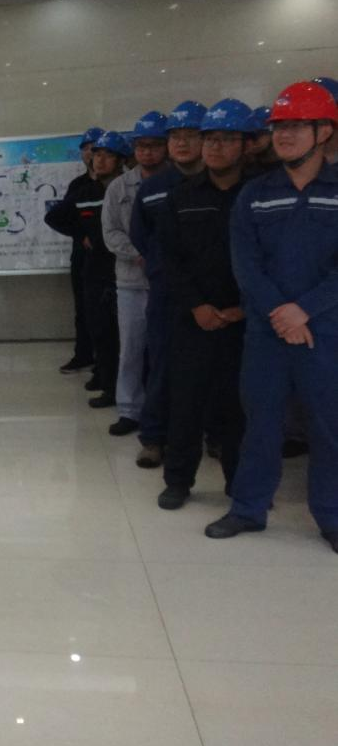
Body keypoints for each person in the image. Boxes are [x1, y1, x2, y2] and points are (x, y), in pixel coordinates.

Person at [206, 81, 338, 552]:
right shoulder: (256, 194)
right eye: (279, 126)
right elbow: (245, 265)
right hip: (267, 333)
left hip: (326, 331)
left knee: (329, 426)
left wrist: (305, 310)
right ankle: (248, 508)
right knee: (260, 424)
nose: (283, 134)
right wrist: (282, 313)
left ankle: (331, 515)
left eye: (297, 125)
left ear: (324, 131)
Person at [155, 99, 252, 510]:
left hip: (246, 319)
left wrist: (245, 307)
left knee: (238, 407)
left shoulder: (257, 193)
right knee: (186, 403)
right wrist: (197, 305)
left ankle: (240, 483)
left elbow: (270, 258)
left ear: (245, 145)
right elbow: (168, 259)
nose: (215, 147)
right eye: (209, 138)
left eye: (226, 139)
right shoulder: (181, 196)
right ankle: (178, 480)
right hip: (192, 318)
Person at [128, 100, 208, 468]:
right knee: (161, 364)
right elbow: (140, 234)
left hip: (215, 293)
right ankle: (154, 438)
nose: (182, 143)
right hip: (167, 292)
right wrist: (162, 266)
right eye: (175, 136)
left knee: (217, 369)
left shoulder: (224, 186)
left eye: (190, 135)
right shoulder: (154, 188)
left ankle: (216, 435)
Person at [102, 111, 167, 436]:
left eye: (154, 146)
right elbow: (111, 232)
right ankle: (129, 409)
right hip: (131, 281)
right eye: (141, 146)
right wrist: (139, 254)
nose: (147, 152)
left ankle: (166, 410)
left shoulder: (178, 183)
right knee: (131, 348)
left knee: (165, 352)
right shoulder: (119, 187)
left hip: (168, 282)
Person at [74, 130, 130, 410]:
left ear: (121, 160)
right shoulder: (85, 191)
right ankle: (109, 387)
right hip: (96, 273)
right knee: (102, 333)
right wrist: (81, 235)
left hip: (127, 272)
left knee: (127, 338)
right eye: (97, 154)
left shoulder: (130, 188)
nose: (100, 159)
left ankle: (129, 393)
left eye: (108, 155)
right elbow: (59, 215)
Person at [51, 126, 103, 376]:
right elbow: (60, 217)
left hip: (114, 259)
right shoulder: (78, 185)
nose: (91, 154)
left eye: (96, 149)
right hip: (84, 257)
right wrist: (81, 236)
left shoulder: (119, 183)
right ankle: (83, 355)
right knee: (83, 308)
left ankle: (108, 362)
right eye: (86, 149)